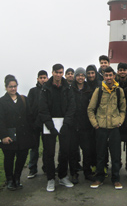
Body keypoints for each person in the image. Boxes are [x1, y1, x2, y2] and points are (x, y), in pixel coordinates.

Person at [88, 66, 126, 190]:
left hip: (114, 128)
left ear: (114, 76)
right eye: (106, 75)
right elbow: (90, 109)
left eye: (111, 75)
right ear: (103, 77)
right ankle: (99, 178)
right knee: (101, 155)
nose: (109, 78)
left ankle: (116, 179)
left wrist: (120, 121)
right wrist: (95, 124)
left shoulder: (119, 91)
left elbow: (123, 109)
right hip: (101, 128)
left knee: (116, 155)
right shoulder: (98, 91)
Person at [39, 63, 76, 192]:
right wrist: (50, 126)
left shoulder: (68, 87)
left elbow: (72, 107)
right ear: (53, 72)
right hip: (49, 125)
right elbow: (43, 109)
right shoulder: (45, 88)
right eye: (57, 72)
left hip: (64, 124)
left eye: (61, 72)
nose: (59, 75)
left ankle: (63, 176)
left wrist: (66, 124)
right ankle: (50, 178)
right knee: (49, 153)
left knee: (65, 151)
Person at [0, 75, 34, 190]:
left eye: (14, 86)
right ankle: (9, 180)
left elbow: (29, 117)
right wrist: (3, 136)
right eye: (10, 87)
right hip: (9, 135)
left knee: (22, 158)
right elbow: (1, 120)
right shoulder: (2, 101)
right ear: (6, 87)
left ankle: (17, 178)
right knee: (9, 159)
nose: (13, 89)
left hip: (23, 135)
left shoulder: (23, 99)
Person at [70, 67, 95, 184]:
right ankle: (74, 173)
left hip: (86, 126)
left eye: (82, 75)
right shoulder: (70, 89)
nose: (80, 77)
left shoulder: (89, 90)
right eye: (78, 75)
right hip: (73, 126)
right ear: (75, 76)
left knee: (87, 151)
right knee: (74, 151)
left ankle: (87, 172)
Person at [27, 70, 48, 179]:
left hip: (46, 124)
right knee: (34, 148)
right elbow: (29, 108)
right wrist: (32, 123)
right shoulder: (33, 91)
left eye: (44, 77)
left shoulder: (49, 90)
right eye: (41, 77)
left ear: (47, 78)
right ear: (37, 79)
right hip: (35, 124)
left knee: (46, 148)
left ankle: (46, 168)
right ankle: (32, 169)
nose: (43, 79)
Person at [115, 62, 127, 177]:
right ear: (117, 71)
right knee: (116, 146)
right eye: (120, 69)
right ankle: (117, 165)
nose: (122, 72)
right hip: (116, 118)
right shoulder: (113, 84)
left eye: (124, 70)